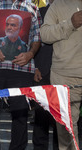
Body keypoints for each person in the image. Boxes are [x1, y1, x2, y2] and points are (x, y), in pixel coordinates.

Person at [0, 0, 41, 149]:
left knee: (21, 116)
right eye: (7, 24)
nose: (9, 27)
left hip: (22, 70)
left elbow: (37, 38)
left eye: (13, 25)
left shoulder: (32, 8)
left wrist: (30, 54)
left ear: (19, 28)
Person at [40, 0, 82, 149]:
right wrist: (70, 23)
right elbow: (44, 35)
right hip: (65, 76)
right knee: (67, 129)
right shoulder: (58, 5)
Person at [32, 0, 58, 149]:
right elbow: (32, 42)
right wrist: (35, 67)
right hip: (41, 72)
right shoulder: (39, 13)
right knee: (41, 116)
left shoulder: (72, 13)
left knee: (60, 117)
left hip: (64, 72)